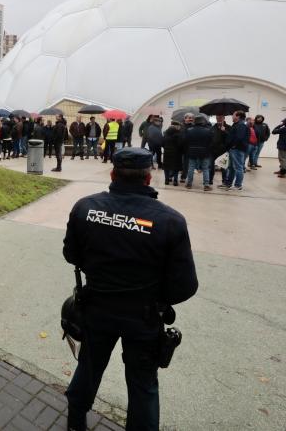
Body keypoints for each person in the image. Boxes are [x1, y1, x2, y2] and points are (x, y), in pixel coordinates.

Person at [62, 147, 198, 431]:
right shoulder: (170, 221)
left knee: (88, 368)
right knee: (143, 384)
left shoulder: (85, 208)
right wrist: (155, 296)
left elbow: (71, 255)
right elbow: (185, 286)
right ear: (149, 178)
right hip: (144, 317)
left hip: (97, 308)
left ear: (112, 174)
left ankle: (75, 422)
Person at [220, 110, 248, 191]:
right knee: (231, 167)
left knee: (238, 167)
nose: (232, 116)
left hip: (237, 149)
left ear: (238, 116)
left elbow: (239, 137)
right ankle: (228, 184)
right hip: (234, 149)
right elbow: (232, 136)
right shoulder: (237, 124)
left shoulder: (241, 125)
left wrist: (233, 146)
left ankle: (238, 185)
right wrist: (225, 131)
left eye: (233, 115)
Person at [183, 115, 213, 191]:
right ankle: (206, 185)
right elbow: (211, 142)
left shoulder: (189, 130)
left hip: (192, 151)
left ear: (194, 122)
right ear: (202, 122)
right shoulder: (208, 131)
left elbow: (185, 141)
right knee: (205, 168)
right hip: (204, 151)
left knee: (191, 168)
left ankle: (189, 184)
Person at [209, 115, 229, 186]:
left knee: (224, 167)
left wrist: (225, 131)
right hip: (213, 151)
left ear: (224, 118)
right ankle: (210, 180)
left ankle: (225, 181)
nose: (219, 119)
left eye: (220, 117)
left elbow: (230, 138)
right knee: (211, 166)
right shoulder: (212, 128)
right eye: (217, 118)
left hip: (223, 151)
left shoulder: (228, 127)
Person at [161, 120, 182, 186]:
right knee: (175, 167)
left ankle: (166, 180)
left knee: (166, 167)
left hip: (167, 152)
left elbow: (162, 143)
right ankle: (175, 181)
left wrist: (166, 148)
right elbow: (180, 144)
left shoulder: (165, 133)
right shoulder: (178, 134)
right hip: (176, 153)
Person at [178, 113, 194, 183]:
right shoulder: (180, 126)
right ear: (185, 118)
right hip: (180, 147)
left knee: (186, 163)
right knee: (179, 162)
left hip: (188, 148)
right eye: (189, 117)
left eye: (192, 118)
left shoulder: (193, 127)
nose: (190, 119)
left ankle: (183, 177)